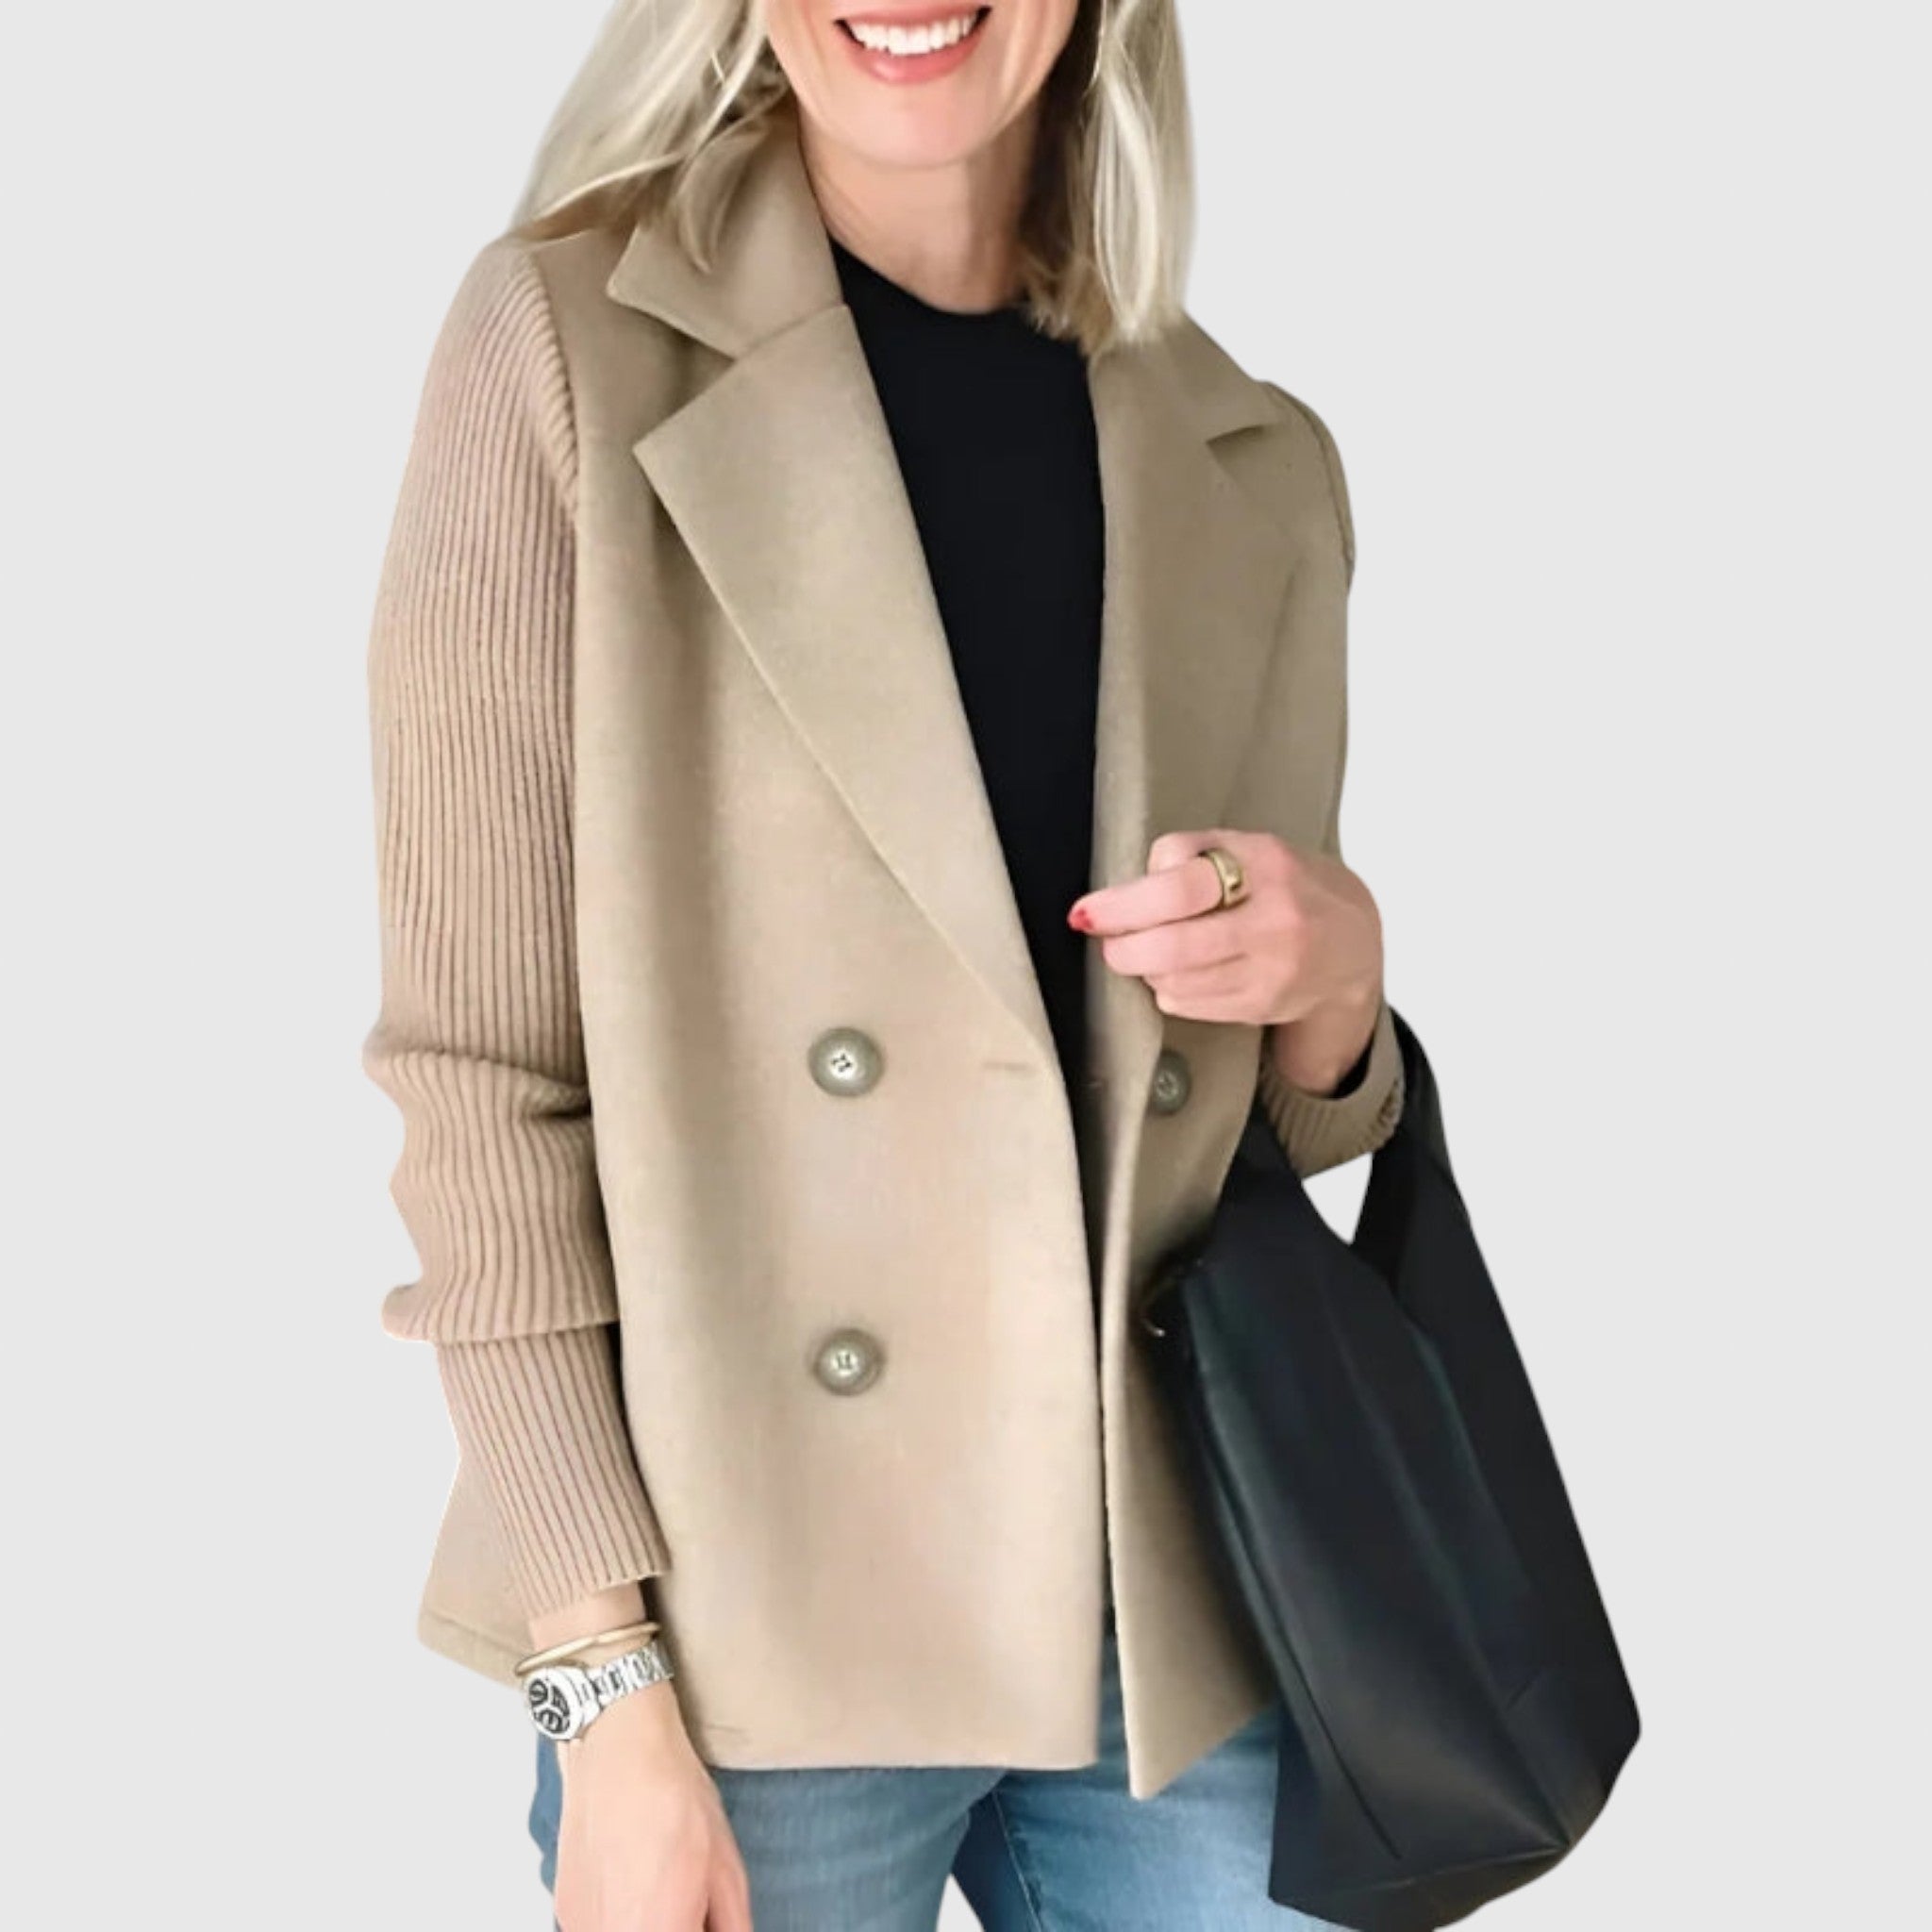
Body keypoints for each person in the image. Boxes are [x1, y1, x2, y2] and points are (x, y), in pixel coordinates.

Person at [361, 2, 1405, 1926]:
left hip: (1161, 1600)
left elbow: (1253, 1133)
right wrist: (600, 1689)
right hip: (746, 1620)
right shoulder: (567, 350)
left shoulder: (1252, 458)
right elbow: (483, 1082)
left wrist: (1336, 985)